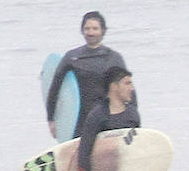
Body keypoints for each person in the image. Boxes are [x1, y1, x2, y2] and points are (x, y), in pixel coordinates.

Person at [46, 11, 130, 139]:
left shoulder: (113, 58)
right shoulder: (72, 57)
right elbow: (55, 88)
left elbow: (127, 89)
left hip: (107, 117)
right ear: (82, 31)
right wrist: (51, 119)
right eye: (87, 28)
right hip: (80, 119)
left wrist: (131, 116)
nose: (91, 32)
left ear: (103, 31)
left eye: (95, 28)